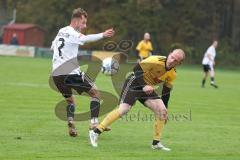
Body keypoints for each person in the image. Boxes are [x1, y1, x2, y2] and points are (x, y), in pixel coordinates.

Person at [89, 49, 185, 150]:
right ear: (169, 54)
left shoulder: (172, 74)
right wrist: (144, 86)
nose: (172, 60)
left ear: (179, 63)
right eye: (172, 57)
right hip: (134, 83)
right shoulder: (155, 60)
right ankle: (95, 132)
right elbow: (136, 69)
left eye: (176, 60)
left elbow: (166, 93)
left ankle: (156, 143)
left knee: (162, 111)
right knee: (124, 109)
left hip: (146, 89)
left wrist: (165, 110)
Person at [51, 8, 114, 137]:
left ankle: (71, 122)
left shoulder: (61, 31)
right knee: (95, 93)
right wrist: (102, 34)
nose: (85, 26)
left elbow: (53, 46)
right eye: (84, 22)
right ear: (77, 20)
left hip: (56, 74)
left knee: (70, 101)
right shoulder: (73, 33)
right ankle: (94, 124)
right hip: (71, 72)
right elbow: (86, 39)